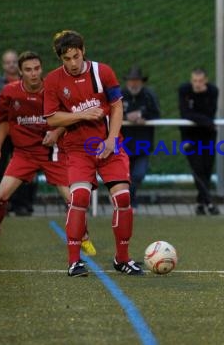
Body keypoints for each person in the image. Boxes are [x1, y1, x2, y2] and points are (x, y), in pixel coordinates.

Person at [0, 51, 96, 257]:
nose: (33, 73)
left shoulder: (54, 90)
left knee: (74, 200)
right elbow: (3, 121)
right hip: (24, 154)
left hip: (52, 153)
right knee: (0, 197)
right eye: (28, 69)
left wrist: (55, 132)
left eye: (37, 68)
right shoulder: (9, 93)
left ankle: (84, 237)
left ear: (41, 68)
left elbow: (72, 117)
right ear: (20, 71)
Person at [43, 30, 143, 277]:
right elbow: (51, 118)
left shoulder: (103, 72)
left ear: (83, 50)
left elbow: (117, 106)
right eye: (67, 59)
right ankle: (74, 261)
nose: (73, 63)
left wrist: (111, 140)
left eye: (76, 56)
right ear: (60, 59)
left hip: (110, 145)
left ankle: (122, 259)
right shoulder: (54, 80)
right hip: (78, 149)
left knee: (123, 199)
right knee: (79, 199)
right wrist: (82, 115)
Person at [0, 49, 36, 216]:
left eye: (14, 61)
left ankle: (22, 204)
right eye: (8, 62)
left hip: (24, 136)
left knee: (24, 170)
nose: (11, 64)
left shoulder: (31, 83)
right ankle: (0, 205)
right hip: (1, 135)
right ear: (3, 64)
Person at [178, 68, 220, 215]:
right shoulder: (184, 90)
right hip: (190, 136)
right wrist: (207, 122)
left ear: (206, 81)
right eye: (194, 81)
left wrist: (205, 121)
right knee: (197, 169)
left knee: (207, 170)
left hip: (208, 136)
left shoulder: (212, 91)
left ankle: (200, 203)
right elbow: (185, 114)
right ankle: (209, 203)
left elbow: (210, 112)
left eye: (200, 81)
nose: (197, 84)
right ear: (191, 81)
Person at [120, 66, 160, 210]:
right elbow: (110, 115)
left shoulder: (149, 95)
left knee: (138, 174)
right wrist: (126, 117)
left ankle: (130, 199)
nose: (134, 84)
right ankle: (128, 202)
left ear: (142, 82)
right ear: (127, 82)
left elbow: (156, 114)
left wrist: (144, 117)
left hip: (143, 144)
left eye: (136, 81)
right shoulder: (120, 95)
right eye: (131, 81)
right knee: (124, 176)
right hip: (123, 144)